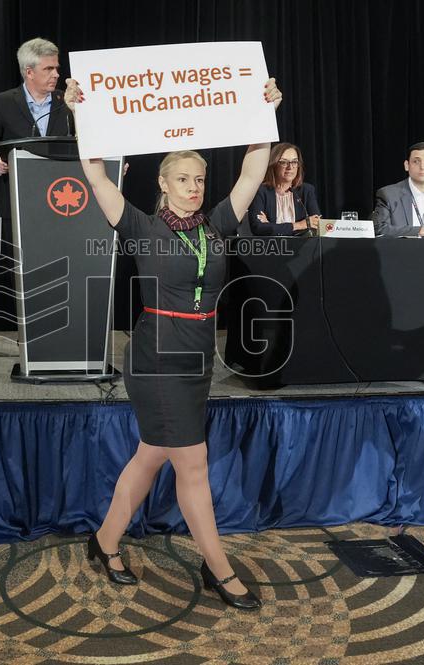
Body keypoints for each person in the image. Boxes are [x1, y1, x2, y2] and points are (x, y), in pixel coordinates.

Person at [63, 75, 282, 610]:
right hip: (157, 356)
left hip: (197, 354)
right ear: (163, 183)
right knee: (193, 463)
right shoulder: (138, 224)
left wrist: (264, 114)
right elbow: (94, 173)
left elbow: (255, 167)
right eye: (182, 179)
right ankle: (220, 571)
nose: (193, 187)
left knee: (150, 455)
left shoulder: (217, 225)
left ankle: (105, 542)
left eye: (200, 180)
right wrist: (78, 114)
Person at [0, 37, 74, 177]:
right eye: (49, 69)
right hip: (21, 186)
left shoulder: (66, 101)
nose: (56, 75)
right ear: (29, 72)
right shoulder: (3, 103)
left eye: (56, 68)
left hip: (61, 183)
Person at [247, 142, 320, 236]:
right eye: (284, 162)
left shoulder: (307, 191)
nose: (290, 167)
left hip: (302, 248)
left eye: (294, 162)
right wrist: (300, 225)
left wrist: (271, 225)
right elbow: (258, 228)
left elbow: (316, 224)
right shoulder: (261, 191)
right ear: (273, 164)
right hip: (272, 248)